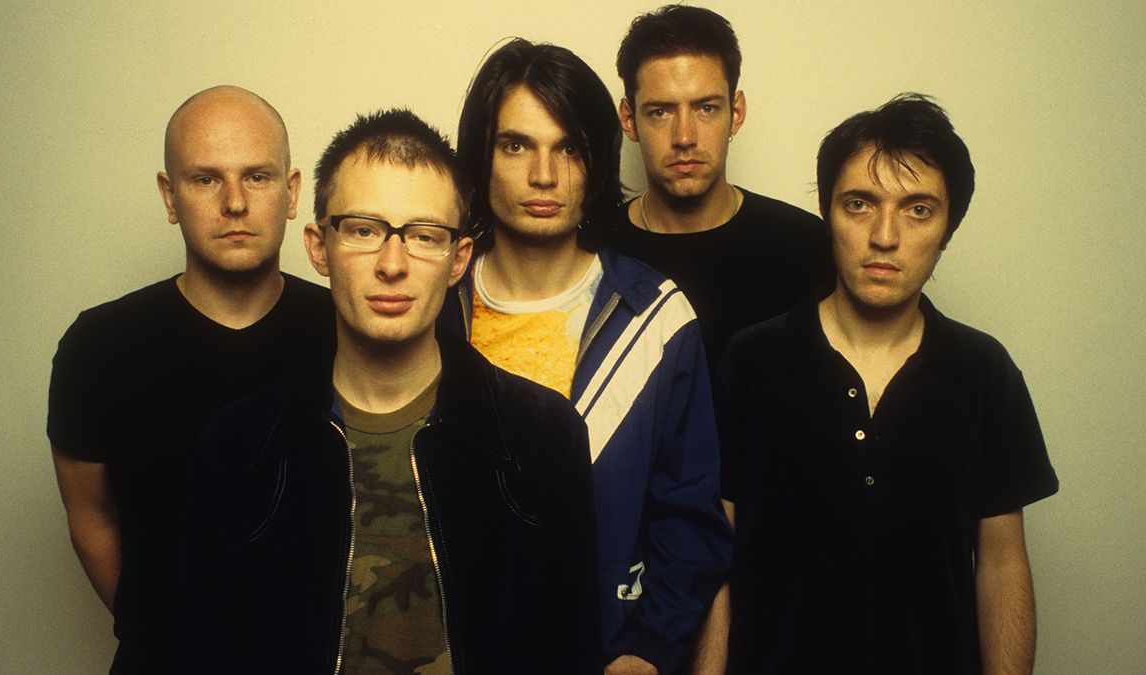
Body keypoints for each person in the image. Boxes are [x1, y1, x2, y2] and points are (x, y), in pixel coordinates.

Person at [176, 109, 601, 673]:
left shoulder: (544, 436)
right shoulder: (236, 445)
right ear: (319, 247)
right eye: (364, 231)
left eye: (425, 236)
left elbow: (569, 651)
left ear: (459, 259)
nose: (393, 264)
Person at [717, 94, 1059, 674]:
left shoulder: (983, 372)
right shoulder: (753, 361)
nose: (884, 235)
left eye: (918, 209)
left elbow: (1001, 565)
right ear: (827, 212)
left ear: (948, 227)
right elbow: (714, 558)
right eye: (859, 204)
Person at [446, 39, 732, 675]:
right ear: (480, 157)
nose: (543, 176)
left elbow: (691, 518)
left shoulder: (656, 319)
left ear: (597, 161)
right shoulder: (435, 308)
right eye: (515, 145)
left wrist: (648, 648)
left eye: (568, 147)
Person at [46, 85, 335, 672]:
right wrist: (158, 629)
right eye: (206, 179)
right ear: (169, 195)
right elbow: (90, 516)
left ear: (292, 192)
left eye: (257, 176)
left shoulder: (349, 332)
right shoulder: (99, 345)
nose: (234, 202)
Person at [612, 4, 834, 370]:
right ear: (628, 119)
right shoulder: (594, 250)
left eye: (706, 108)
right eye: (660, 111)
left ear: (737, 112)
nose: (685, 137)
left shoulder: (807, 248)